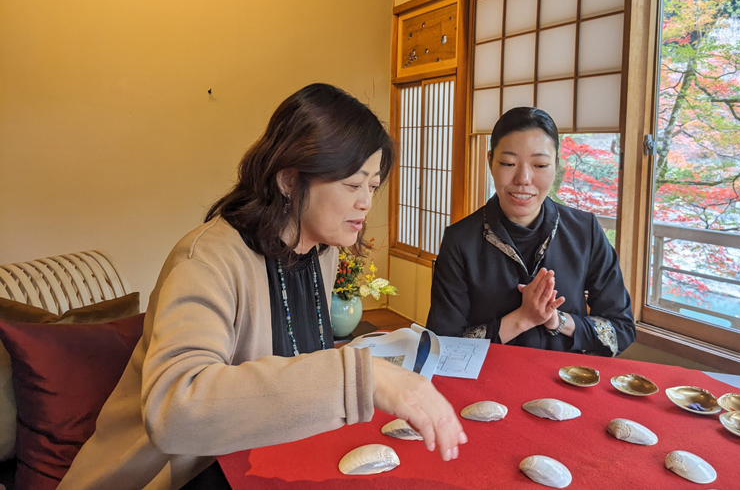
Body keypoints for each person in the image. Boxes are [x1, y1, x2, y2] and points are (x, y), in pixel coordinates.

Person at [59, 84, 466, 490]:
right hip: (174, 476)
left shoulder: (320, 252)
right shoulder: (207, 259)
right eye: (352, 185)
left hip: (256, 459)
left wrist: (369, 356)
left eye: (373, 187)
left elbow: (284, 357)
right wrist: (361, 377)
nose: (366, 203)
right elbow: (174, 409)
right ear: (289, 179)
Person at [426, 107, 635, 356]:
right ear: (490, 161)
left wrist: (557, 320)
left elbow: (621, 330)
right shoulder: (460, 240)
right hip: (488, 383)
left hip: (564, 382)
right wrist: (522, 319)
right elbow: (443, 344)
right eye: (508, 163)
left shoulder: (584, 231)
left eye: (540, 164)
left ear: (556, 165)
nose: (524, 178)